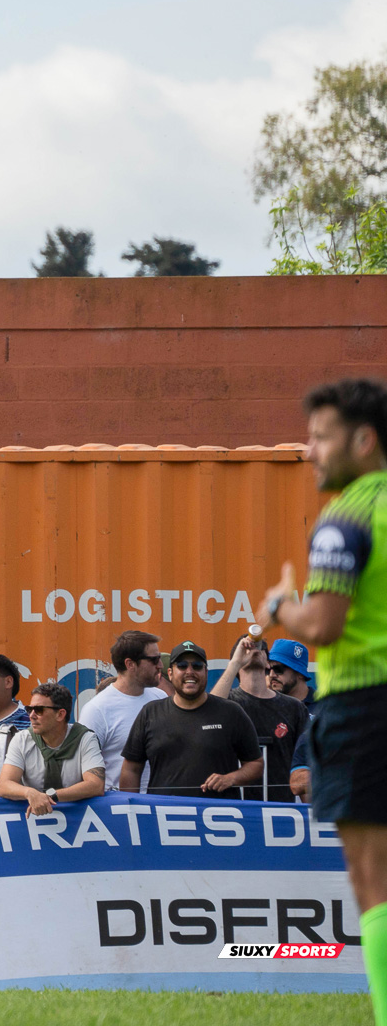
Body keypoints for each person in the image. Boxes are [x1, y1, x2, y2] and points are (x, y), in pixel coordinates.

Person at [258, 378, 387, 1015]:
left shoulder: (347, 519)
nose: (308, 450)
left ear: (364, 440)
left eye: (320, 436)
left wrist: (284, 605)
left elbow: (325, 626)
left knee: (375, 885)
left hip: (366, 707)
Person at [120, 641, 263, 798]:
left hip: (219, 817)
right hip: (163, 818)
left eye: (197, 666)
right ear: (170, 672)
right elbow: (131, 769)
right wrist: (130, 808)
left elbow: (255, 764)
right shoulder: (150, 713)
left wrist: (231, 778)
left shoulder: (231, 712)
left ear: (206, 672)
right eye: (182, 666)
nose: (190, 672)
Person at [210, 634, 310, 801]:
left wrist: (312, 819)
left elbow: (304, 764)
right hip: (235, 809)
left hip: (280, 809)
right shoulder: (228, 703)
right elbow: (208, 716)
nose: (253, 650)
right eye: (246, 649)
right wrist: (235, 663)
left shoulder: (295, 708)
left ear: (267, 663)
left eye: (260, 648)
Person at [77, 629, 167, 792]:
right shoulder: (97, 710)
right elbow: (80, 769)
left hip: (161, 807)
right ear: (130, 664)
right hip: (120, 810)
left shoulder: (160, 697)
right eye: (154, 660)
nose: (160, 665)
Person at [0, 683, 106, 816]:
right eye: (29, 709)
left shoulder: (85, 738)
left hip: (79, 819)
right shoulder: (21, 739)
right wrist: (30, 793)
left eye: (39, 710)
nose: (31, 715)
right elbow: (4, 785)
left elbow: (96, 785)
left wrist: (49, 796)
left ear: (60, 714)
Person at [267, 638, 315, 703]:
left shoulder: (324, 706)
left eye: (278, 669)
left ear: (299, 673)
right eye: (268, 669)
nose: (271, 675)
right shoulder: (267, 706)